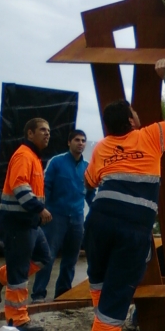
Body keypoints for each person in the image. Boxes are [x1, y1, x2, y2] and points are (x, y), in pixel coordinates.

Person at [73, 58, 165, 331]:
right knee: (115, 297)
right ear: (130, 119)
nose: (140, 116)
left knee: (99, 284)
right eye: (135, 113)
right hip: (131, 229)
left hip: (98, 223)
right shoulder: (150, 136)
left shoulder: (101, 147)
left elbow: (88, 182)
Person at [0, 118, 53, 331]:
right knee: (19, 273)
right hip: (18, 224)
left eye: (49, 131)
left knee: (43, 257)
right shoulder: (24, 155)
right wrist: (38, 208)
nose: (47, 134)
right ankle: (17, 320)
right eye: (42, 130)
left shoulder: (34, 157)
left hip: (28, 223)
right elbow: (20, 186)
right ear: (30, 134)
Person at [31, 129, 96, 303]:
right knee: (48, 256)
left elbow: (90, 194)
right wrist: (42, 209)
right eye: (77, 140)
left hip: (76, 218)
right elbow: (45, 187)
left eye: (83, 140)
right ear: (69, 142)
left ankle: (63, 295)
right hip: (55, 217)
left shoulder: (87, 167)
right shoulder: (56, 162)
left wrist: (96, 211)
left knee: (70, 258)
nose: (80, 143)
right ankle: (38, 294)